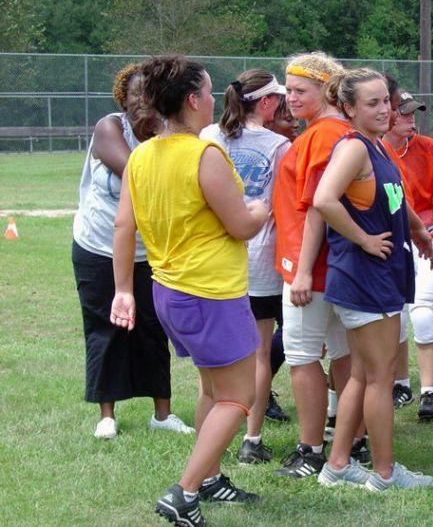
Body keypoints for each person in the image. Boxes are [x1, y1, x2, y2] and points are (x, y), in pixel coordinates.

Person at [110, 55, 269, 526]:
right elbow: (240, 225)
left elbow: (124, 225)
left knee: (211, 387)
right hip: (210, 294)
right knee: (239, 397)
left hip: (169, 292)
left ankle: (210, 478)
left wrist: (124, 289)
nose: (216, 100)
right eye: (210, 91)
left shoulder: (141, 154)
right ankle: (183, 492)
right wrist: (260, 210)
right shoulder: (205, 154)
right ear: (194, 100)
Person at [313, 68, 433, 490]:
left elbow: (393, 200)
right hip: (364, 277)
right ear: (348, 108)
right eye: (373, 103)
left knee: (365, 374)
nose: (385, 109)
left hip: (379, 273)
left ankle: (338, 464)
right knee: (380, 379)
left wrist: (418, 230)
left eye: (387, 100)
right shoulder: (353, 149)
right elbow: (323, 199)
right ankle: (385, 473)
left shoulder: (376, 147)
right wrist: (364, 238)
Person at [72, 63, 193, 440]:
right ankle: (107, 414)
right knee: (106, 327)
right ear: (122, 98)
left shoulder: (168, 132)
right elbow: (137, 172)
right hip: (98, 246)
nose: (142, 101)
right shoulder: (109, 129)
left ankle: (163, 413)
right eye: (135, 94)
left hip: (148, 251)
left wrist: (164, 133)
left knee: (153, 330)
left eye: (149, 94)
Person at [200, 69, 290, 464]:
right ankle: (250, 439)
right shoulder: (278, 145)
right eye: (278, 101)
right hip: (259, 262)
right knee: (257, 354)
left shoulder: (207, 138)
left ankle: (211, 435)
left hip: (213, 261)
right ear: (267, 102)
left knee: (216, 357)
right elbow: (281, 207)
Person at [271, 51, 354, 477]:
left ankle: (310, 449)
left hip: (315, 267)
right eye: (288, 89)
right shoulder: (333, 132)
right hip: (333, 266)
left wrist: (301, 270)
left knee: (302, 356)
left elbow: (318, 209)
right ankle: (349, 436)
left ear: (326, 88)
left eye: (300, 89)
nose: (290, 98)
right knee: (342, 353)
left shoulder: (323, 135)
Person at [383, 89, 433, 421]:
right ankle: (401, 384)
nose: (411, 118)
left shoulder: (427, 148)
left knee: (424, 316)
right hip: (388, 242)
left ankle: (430, 391)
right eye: (404, 112)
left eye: (413, 112)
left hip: (427, 238)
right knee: (394, 318)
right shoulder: (371, 149)